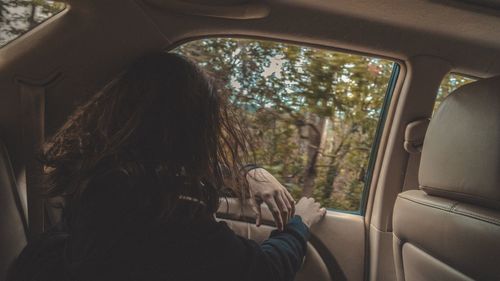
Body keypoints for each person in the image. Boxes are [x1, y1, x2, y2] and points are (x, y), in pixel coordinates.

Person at [8, 52, 326, 281]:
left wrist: (247, 172)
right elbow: (265, 271)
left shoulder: (100, 180)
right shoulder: (172, 218)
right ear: (190, 134)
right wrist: (299, 223)